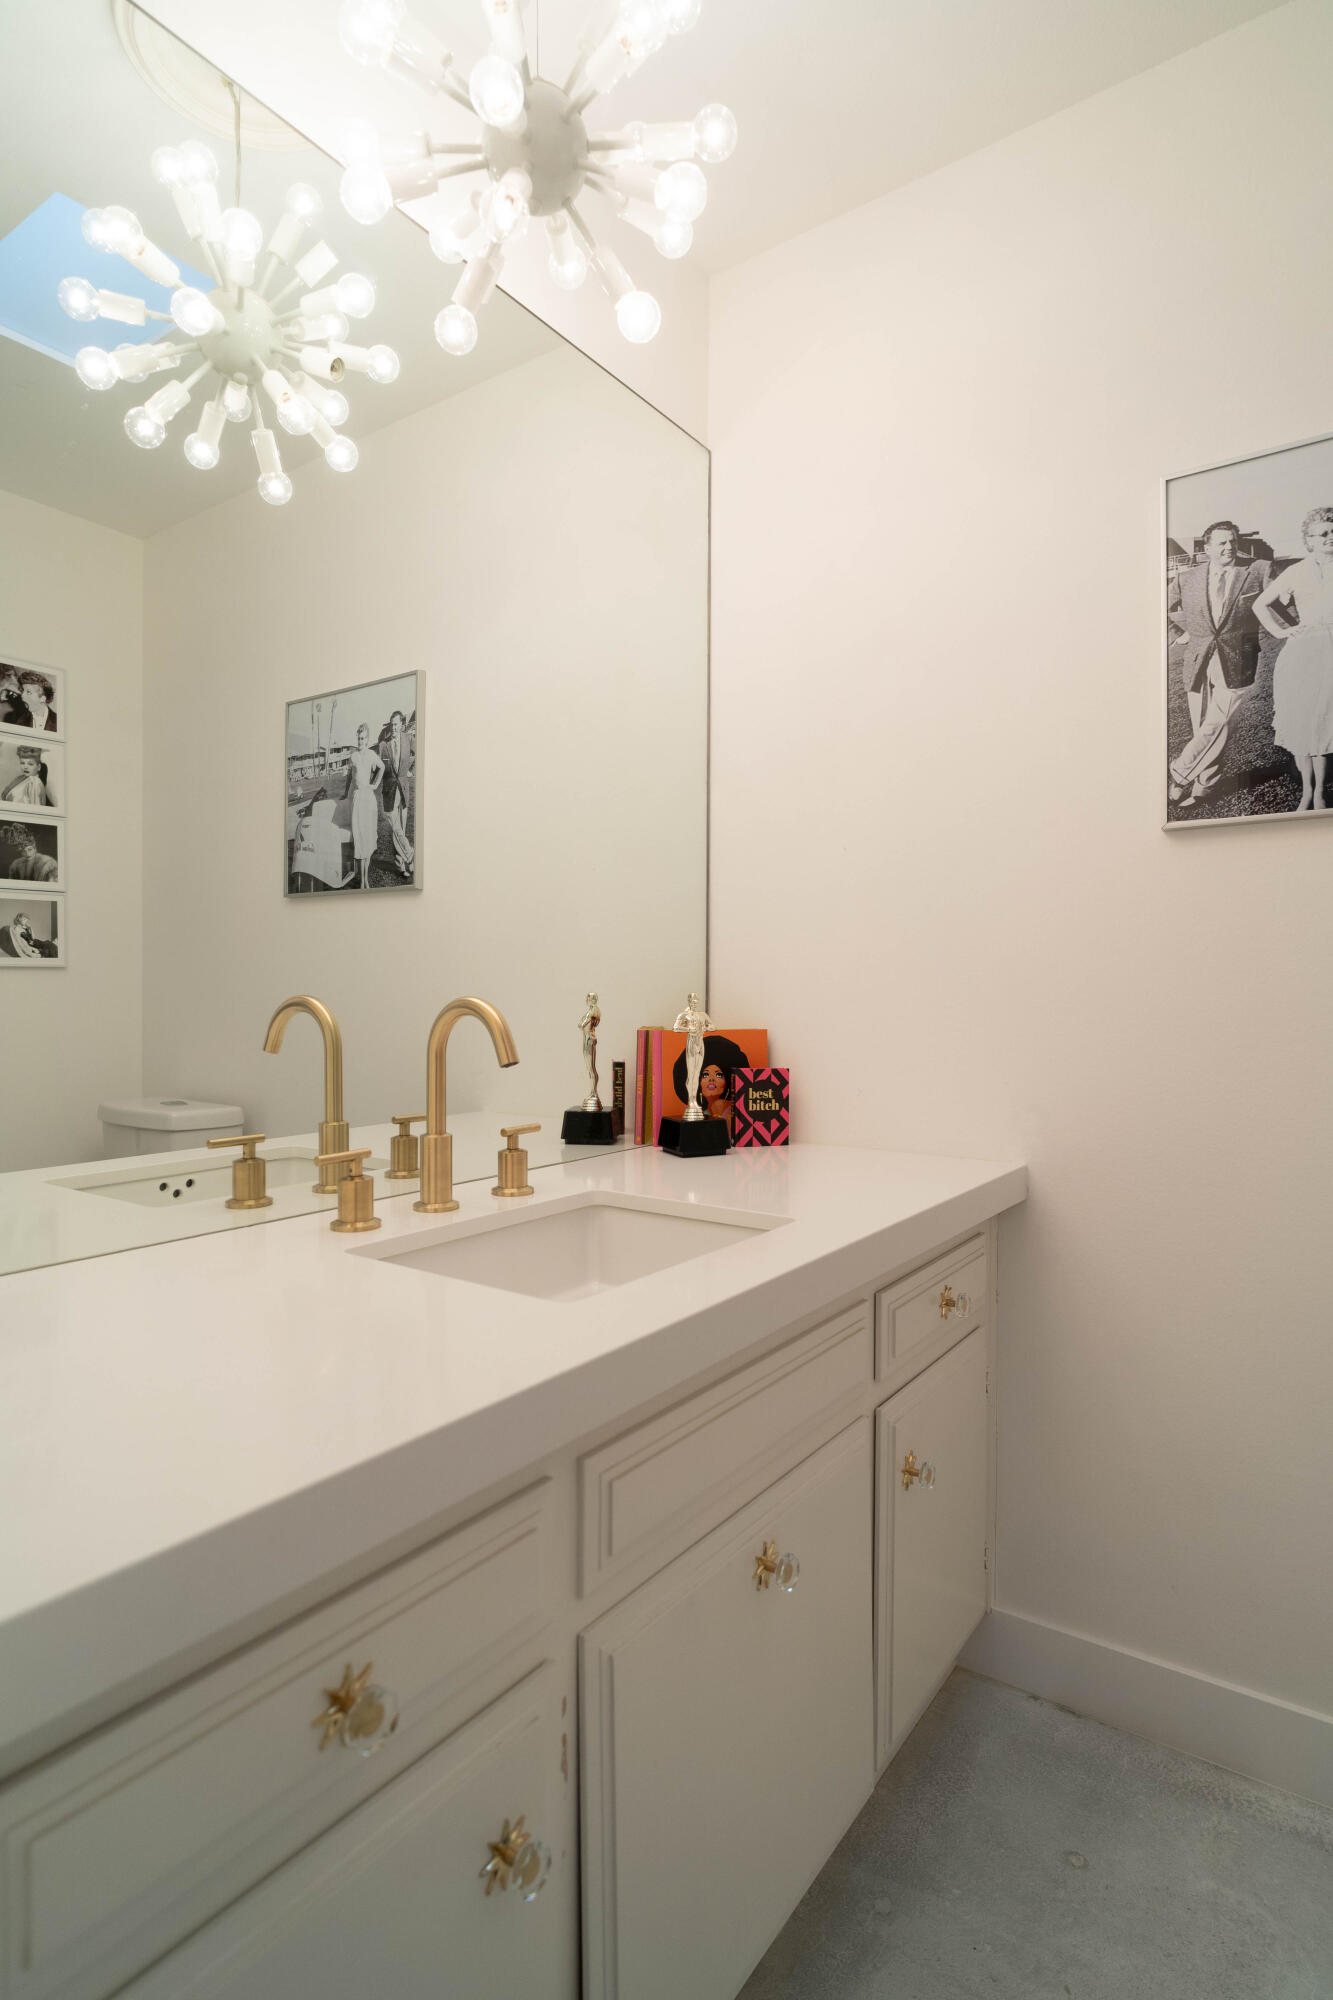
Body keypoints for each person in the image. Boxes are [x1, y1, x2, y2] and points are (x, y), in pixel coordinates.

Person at [1167, 522, 1271, 806]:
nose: (1229, 547)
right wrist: (1177, 635)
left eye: (1233, 541)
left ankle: (1179, 772)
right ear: (1208, 547)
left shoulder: (1257, 570)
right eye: (1222, 543)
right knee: (1203, 724)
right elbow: (1154, 607)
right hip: (1198, 660)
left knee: (1220, 720)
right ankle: (1205, 786)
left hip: (1239, 659)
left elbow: (1279, 602)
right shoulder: (1186, 578)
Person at [1254, 506, 1333, 811]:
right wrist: (1282, 631)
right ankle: (1306, 792)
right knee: (1301, 718)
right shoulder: (1296, 572)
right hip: (1304, 652)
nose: (1330, 537)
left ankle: (1321, 794)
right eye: (1323, 533)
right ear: (1309, 540)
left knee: (1324, 720)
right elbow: (1262, 604)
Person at [345, 722, 385, 889]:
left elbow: (382, 767)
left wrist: (375, 785)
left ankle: (365, 879)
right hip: (357, 799)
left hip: (369, 800)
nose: (360, 741)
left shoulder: (371, 755)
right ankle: (361, 881)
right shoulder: (353, 757)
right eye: (359, 738)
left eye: (363, 738)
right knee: (360, 840)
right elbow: (351, 779)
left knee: (368, 840)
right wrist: (346, 795)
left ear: (367, 739)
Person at [378, 708, 414, 878]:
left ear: (402, 725)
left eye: (396, 724)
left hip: (404, 788)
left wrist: (410, 770)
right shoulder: (383, 746)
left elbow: (416, 755)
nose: (393, 728)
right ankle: (408, 856)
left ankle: (404, 863)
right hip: (389, 790)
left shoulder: (408, 739)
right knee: (395, 828)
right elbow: (380, 769)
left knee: (402, 827)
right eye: (391, 725)